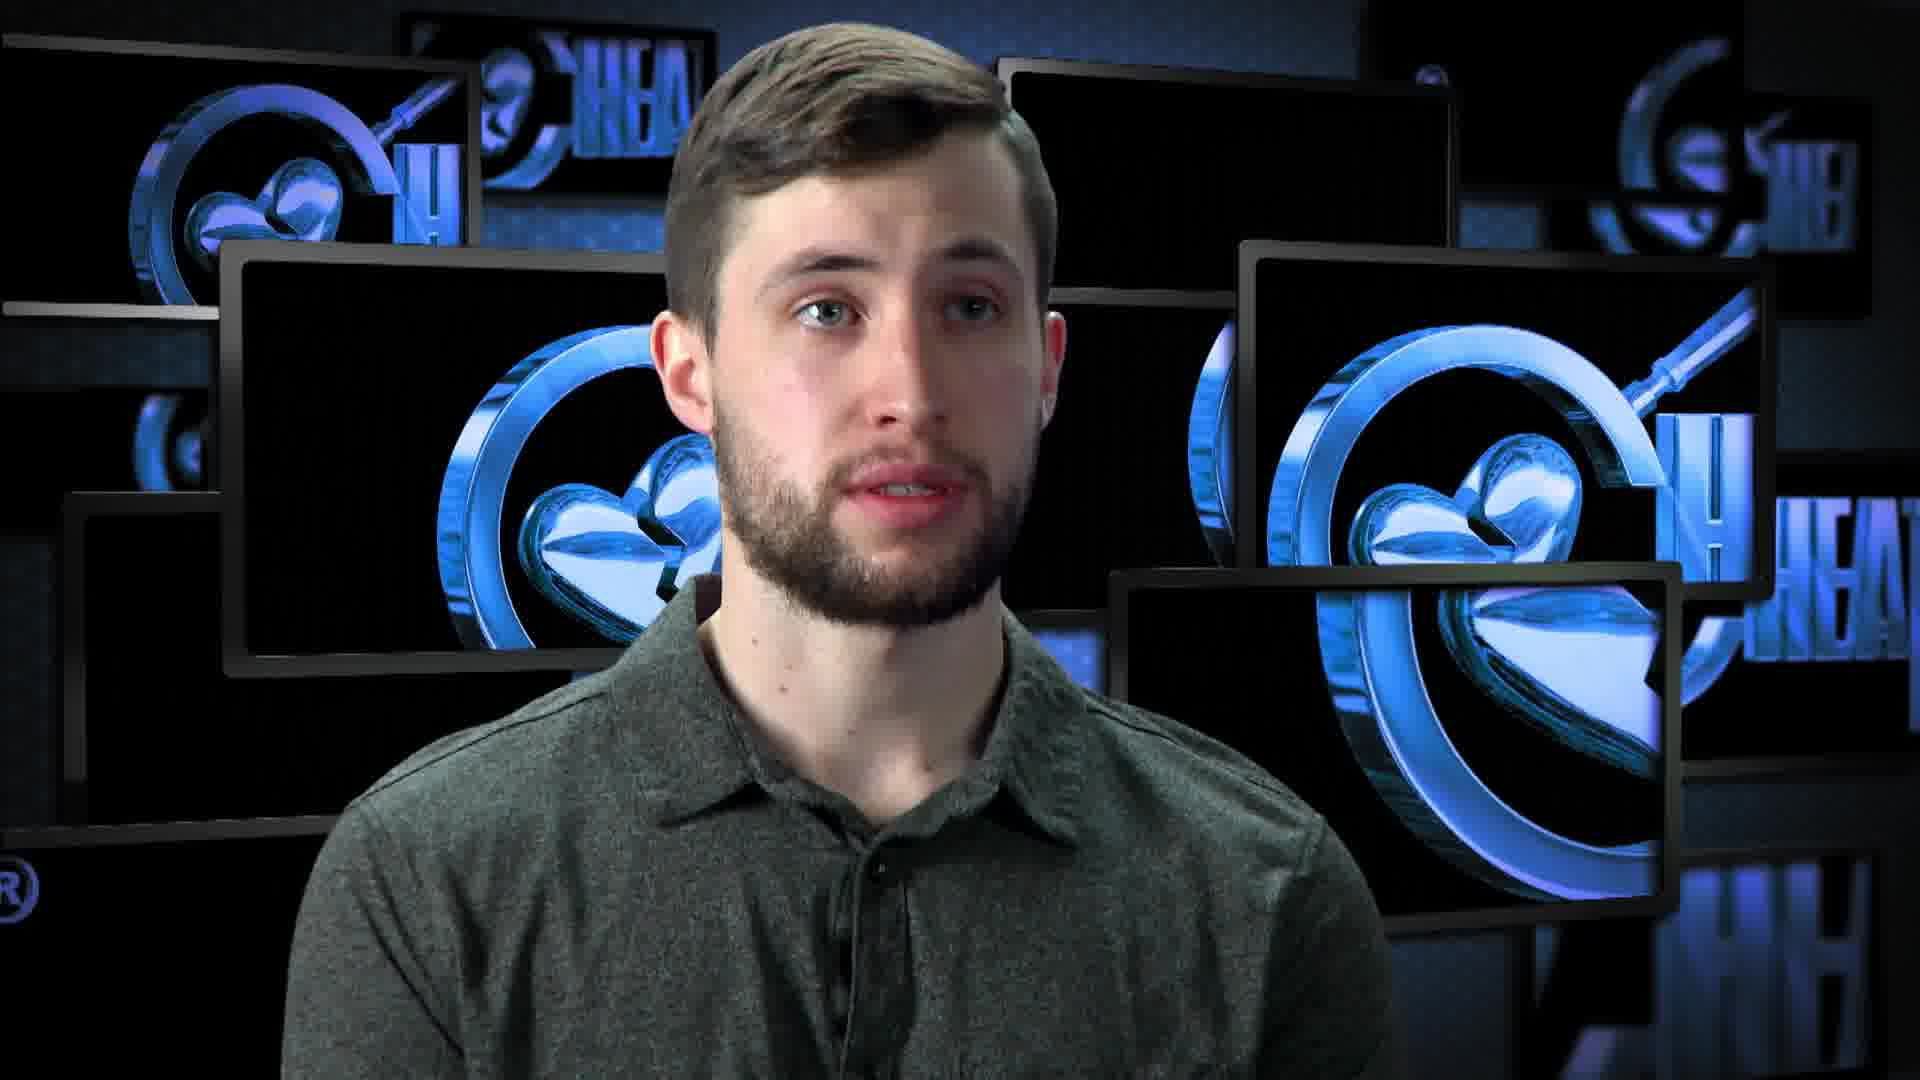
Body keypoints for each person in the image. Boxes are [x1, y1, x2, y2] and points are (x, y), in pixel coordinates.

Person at [282, 21, 1401, 1078]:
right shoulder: (427, 884)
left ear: (1048, 368)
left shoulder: (1269, 895)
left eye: (970, 307)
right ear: (688, 374)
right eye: (826, 309)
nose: (909, 393)